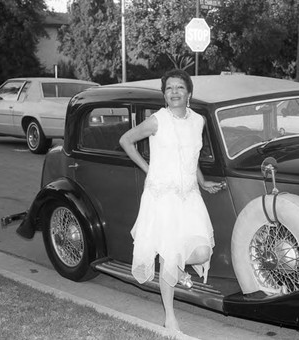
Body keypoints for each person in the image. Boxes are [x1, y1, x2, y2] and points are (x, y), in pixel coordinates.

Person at [119, 69, 222, 332]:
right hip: (162, 197)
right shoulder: (157, 121)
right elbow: (126, 140)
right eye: (169, 88)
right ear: (164, 94)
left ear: (189, 93)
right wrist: (148, 170)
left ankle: (177, 269)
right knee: (169, 254)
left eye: (179, 88)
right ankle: (170, 316)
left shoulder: (198, 121)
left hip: (189, 196)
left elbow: (192, 155)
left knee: (202, 252)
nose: (174, 92)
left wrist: (201, 181)